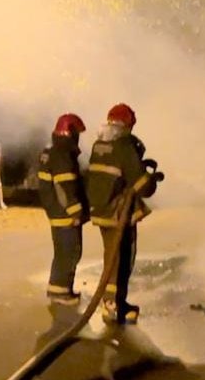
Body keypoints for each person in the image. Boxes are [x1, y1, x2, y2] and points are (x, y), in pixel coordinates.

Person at [86, 103, 164, 325]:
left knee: (112, 255)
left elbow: (117, 172)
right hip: (118, 214)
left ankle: (115, 302)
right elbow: (142, 187)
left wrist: (139, 163)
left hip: (102, 210)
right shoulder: (124, 145)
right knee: (121, 258)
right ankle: (112, 304)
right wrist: (150, 179)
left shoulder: (99, 145)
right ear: (127, 125)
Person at [37, 113, 89, 306]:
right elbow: (64, 186)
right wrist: (75, 211)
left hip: (55, 212)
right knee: (70, 252)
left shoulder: (49, 151)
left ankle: (57, 289)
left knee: (62, 252)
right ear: (71, 132)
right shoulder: (62, 153)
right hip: (64, 214)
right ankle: (61, 293)